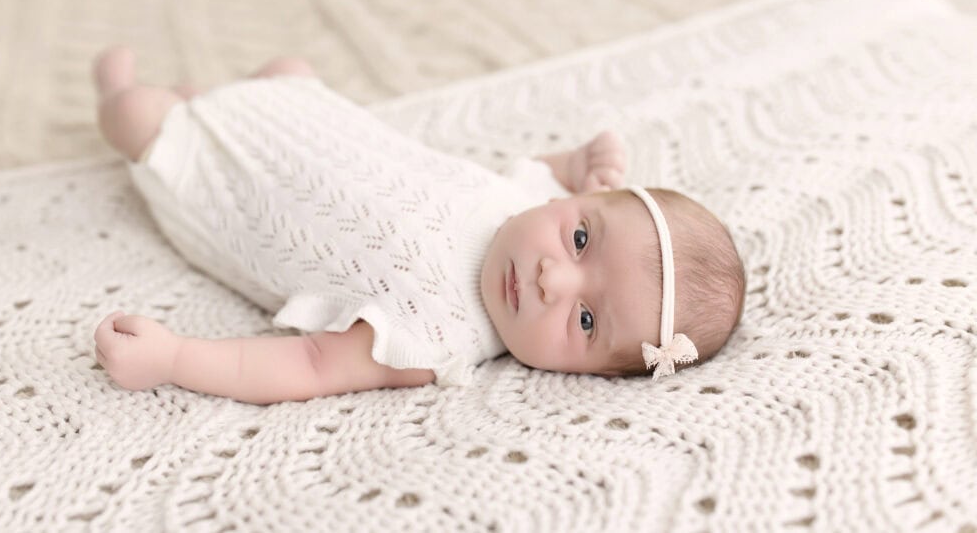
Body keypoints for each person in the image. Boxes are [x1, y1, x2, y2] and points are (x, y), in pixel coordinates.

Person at [92, 46, 746, 405]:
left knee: (134, 115)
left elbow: (310, 363)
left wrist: (176, 357)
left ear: (591, 375)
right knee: (288, 70)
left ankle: (126, 84)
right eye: (580, 238)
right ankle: (215, 89)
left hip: (229, 188)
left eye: (585, 320)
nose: (553, 278)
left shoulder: (436, 339)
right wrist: (575, 163)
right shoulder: (526, 201)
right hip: (304, 122)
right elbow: (540, 171)